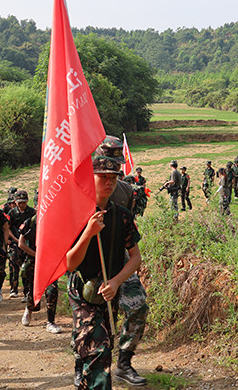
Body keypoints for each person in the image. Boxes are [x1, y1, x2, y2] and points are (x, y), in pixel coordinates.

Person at [67, 140, 143, 389]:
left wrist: (117, 281)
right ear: (92, 177)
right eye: (103, 177)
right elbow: (70, 264)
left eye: (114, 176)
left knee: (103, 346)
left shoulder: (122, 214)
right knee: (98, 348)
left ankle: (112, 363)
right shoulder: (78, 213)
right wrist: (88, 233)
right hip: (83, 290)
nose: (109, 182)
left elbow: (135, 257)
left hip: (111, 284)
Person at [17, 214, 62, 334]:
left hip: (50, 262)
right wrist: (36, 255)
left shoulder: (55, 221)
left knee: (52, 290)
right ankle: (29, 308)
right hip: (33, 262)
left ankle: (50, 322)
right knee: (32, 291)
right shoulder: (30, 222)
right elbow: (21, 243)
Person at [8, 190, 36, 299]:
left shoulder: (32, 212)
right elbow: (8, 228)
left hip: (28, 244)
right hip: (15, 244)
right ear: (15, 201)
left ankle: (26, 292)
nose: (21, 204)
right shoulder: (12, 213)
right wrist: (14, 239)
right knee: (14, 265)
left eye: (23, 202)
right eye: (19, 202)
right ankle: (13, 289)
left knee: (26, 268)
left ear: (27, 201)